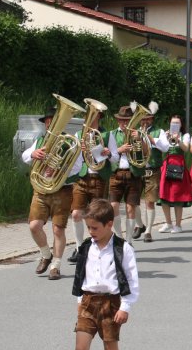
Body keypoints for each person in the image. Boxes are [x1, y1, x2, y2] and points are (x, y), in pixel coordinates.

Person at [62, 199, 139, 350]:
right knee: (80, 349)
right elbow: (80, 276)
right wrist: (79, 301)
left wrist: (125, 306)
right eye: (88, 228)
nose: (91, 232)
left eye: (95, 228)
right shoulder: (86, 247)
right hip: (87, 301)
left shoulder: (123, 248)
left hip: (111, 303)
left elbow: (132, 281)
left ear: (109, 224)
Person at [22, 107, 77, 280]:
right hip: (41, 189)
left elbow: (78, 167)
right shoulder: (40, 140)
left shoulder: (70, 142)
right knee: (34, 226)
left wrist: (60, 166)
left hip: (62, 190)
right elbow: (25, 156)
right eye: (47, 122)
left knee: (58, 229)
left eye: (52, 121)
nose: (49, 125)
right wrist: (33, 153)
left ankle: (56, 266)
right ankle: (46, 254)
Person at [67, 108, 118, 263]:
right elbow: (71, 157)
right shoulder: (78, 135)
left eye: (94, 116)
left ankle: (97, 246)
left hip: (99, 178)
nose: (90, 120)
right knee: (76, 214)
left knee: (96, 216)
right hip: (81, 178)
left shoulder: (107, 135)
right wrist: (78, 151)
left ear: (99, 118)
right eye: (87, 116)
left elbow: (115, 158)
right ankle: (79, 248)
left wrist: (108, 153)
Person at [108, 105, 145, 240]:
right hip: (115, 174)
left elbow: (147, 154)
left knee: (131, 208)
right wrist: (119, 149)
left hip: (133, 174)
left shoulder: (139, 134)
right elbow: (107, 154)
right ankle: (118, 237)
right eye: (122, 121)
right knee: (113, 207)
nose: (124, 123)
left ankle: (128, 241)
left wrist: (140, 139)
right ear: (118, 121)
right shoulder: (112, 134)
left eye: (127, 121)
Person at [133, 107, 169, 243]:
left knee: (149, 201)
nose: (145, 121)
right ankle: (140, 224)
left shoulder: (158, 131)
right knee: (133, 201)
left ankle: (148, 231)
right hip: (137, 169)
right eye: (142, 118)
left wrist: (149, 138)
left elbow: (165, 147)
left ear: (152, 119)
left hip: (152, 169)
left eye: (147, 118)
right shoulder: (134, 131)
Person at [158, 115, 192, 233]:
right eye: (173, 123)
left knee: (178, 195)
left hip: (179, 165)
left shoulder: (185, 135)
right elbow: (162, 148)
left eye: (177, 123)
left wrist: (178, 139)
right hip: (166, 164)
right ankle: (168, 223)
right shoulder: (165, 134)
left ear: (181, 125)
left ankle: (178, 225)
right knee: (163, 194)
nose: (175, 125)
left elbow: (186, 149)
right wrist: (166, 137)